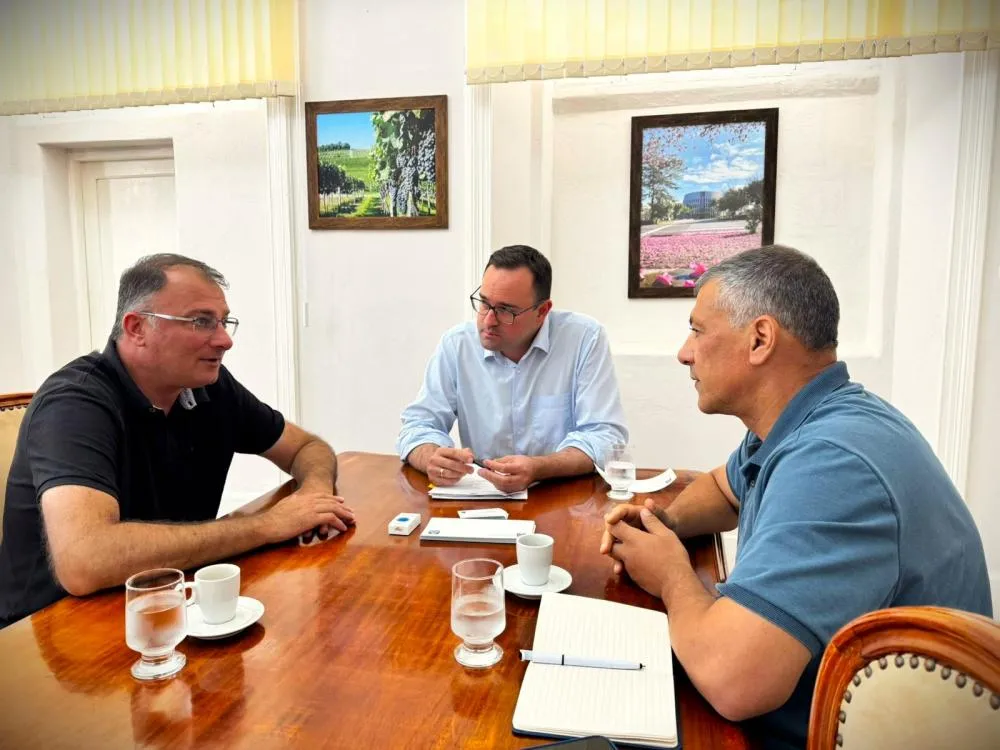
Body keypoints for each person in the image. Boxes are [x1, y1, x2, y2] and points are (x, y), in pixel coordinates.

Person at [599, 245, 992, 749]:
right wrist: (666, 525)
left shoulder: (834, 462)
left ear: (760, 338)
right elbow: (724, 488)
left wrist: (671, 573)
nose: (684, 352)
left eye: (697, 331)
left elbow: (732, 680)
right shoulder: (810, 419)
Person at [0, 254, 354, 629]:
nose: (225, 340)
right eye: (201, 321)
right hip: (54, 636)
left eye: (224, 321)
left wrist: (314, 496)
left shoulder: (210, 387)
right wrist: (267, 525)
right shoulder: (75, 402)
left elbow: (306, 447)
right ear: (137, 328)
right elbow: (85, 561)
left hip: (171, 606)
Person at [397, 244, 628, 493]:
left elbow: (605, 436)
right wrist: (432, 456)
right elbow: (418, 425)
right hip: (481, 496)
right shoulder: (457, 344)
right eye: (484, 303)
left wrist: (539, 467)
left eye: (506, 311)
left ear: (542, 311)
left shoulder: (584, 338)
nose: (488, 321)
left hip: (561, 495)